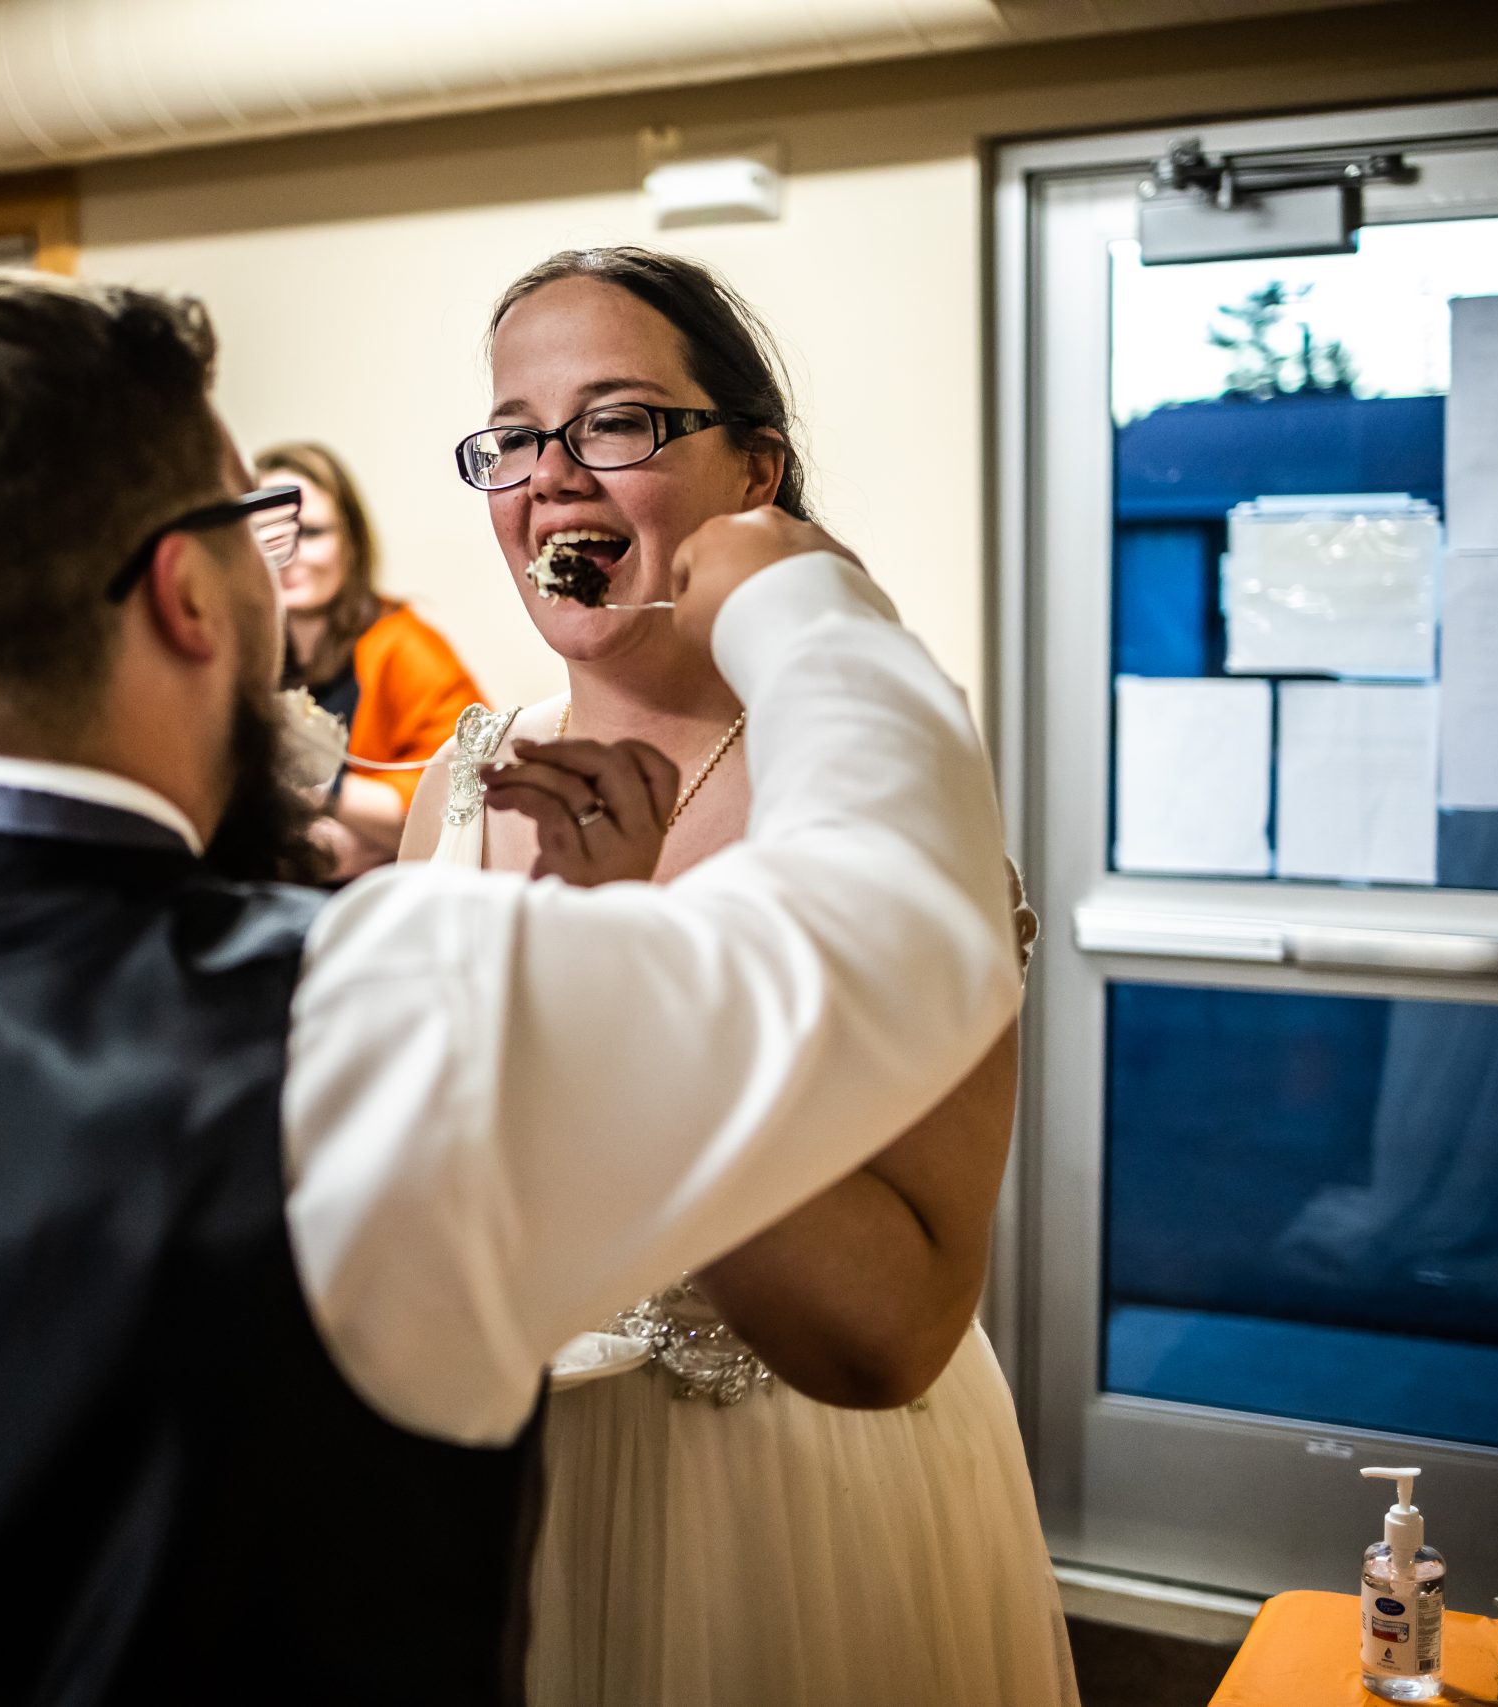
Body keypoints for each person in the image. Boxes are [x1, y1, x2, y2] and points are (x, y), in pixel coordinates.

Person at [0, 275, 1019, 1705]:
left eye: (615, 422)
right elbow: (900, 913)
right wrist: (804, 603)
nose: (549, 475)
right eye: (249, 527)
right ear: (189, 596)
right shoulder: (369, 1006)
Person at [403, 247, 1075, 1706]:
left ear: (754, 469)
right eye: (514, 437)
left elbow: (893, 1324)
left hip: (788, 1506)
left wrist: (622, 987)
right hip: (501, 1498)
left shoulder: (876, 795)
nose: (552, 477)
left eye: (616, 422)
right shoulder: (463, 778)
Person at [256, 441, 482, 879]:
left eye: (311, 533)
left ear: (351, 542)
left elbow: (468, 791)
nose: (287, 555)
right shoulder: (237, 652)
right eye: (268, 537)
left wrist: (321, 791)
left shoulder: (405, 645)